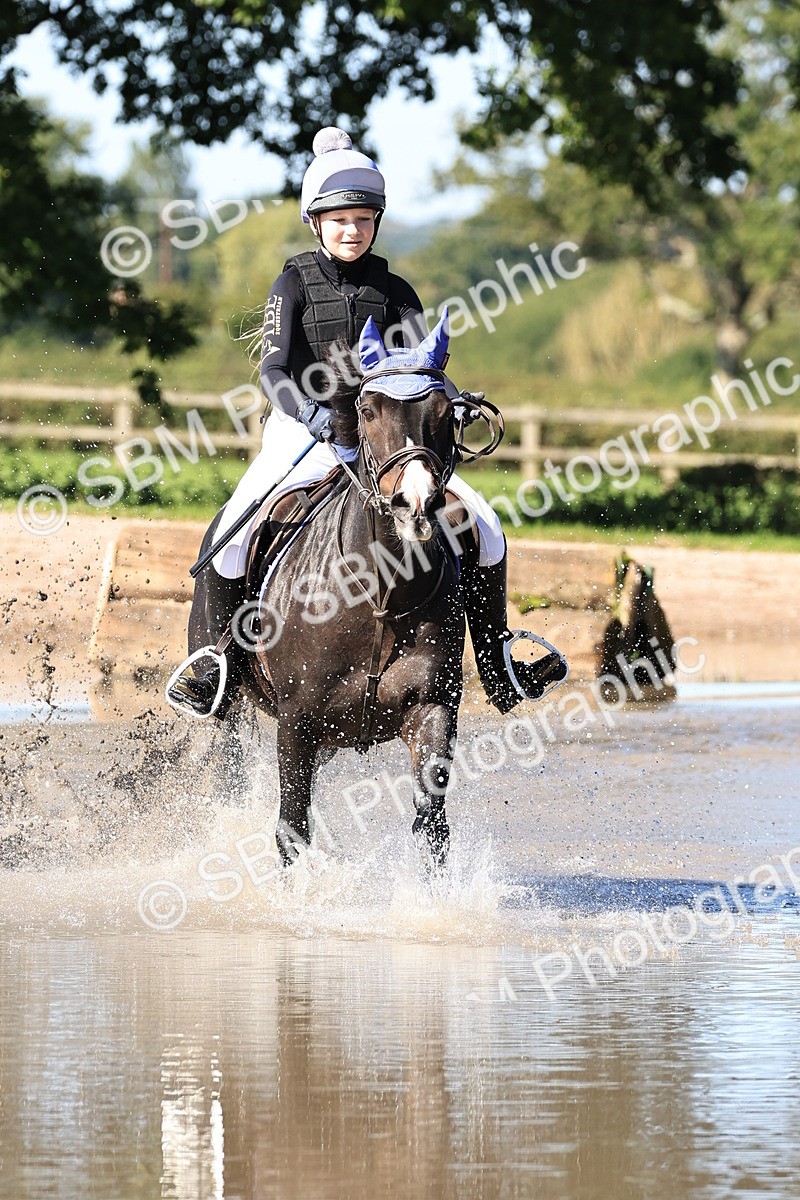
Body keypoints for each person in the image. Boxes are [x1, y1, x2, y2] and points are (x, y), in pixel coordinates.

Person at [168, 128, 566, 717]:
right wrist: (309, 415)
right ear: (316, 222)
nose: (351, 229)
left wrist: (448, 406)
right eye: (338, 219)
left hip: (389, 444)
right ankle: (215, 665)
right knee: (231, 532)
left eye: (362, 218)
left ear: (376, 221)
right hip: (303, 433)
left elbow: (420, 369)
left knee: (485, 525)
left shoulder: (397, 290)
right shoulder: (294, 282)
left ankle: (498, 662)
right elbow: (273, 369)